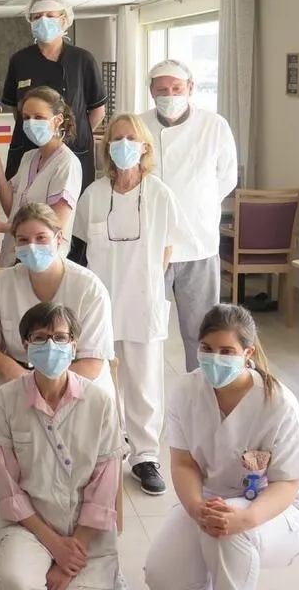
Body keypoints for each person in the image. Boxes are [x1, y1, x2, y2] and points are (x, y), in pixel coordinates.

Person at [144, 305, 299, 590]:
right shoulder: (186, 391)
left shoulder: (278, 403)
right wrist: (196, 508)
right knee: (163, 575)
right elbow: (184, 463)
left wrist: (246, 518)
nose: (215, 358)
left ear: (248, 353)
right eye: (207, 348)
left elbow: (287, 483)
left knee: (227, 534)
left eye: (226, 351)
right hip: (210, 499)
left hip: (276, 509)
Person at [0, 203, 114, 507]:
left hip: (77, 383)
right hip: (16, 378)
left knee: (81, 449)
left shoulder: (89, 287)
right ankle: (14, 514)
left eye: (41, 238)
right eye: (23, 240)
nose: (32, 247)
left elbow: (92, 361)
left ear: (59, 239)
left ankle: (76, 514)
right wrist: (12, 371)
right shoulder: (5, 282)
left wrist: (52, 390)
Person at [72, 113, 189, 497]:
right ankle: (107, 449)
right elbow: (79, 248)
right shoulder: (93, 195)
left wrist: (146, 282)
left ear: (144, 147)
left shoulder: (159, 194)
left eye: (130, 139)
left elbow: (168, 248)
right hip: (101, 303)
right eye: (116, 139)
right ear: (107, 148)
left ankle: (145, 456)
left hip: (142, 301)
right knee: (100, 381)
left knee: (143, 382)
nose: (122, 145)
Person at [0, 302, 125, 590]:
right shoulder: (5, 401)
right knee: (15, 582)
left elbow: (105, 485)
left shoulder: (100, 402)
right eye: (40, 338)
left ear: (73, 346)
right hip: (28, 526)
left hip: (88, 531)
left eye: (60, 338)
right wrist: (55, 546)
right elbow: (6, 486)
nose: (50, 345)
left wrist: (69, 557)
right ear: (26, 346)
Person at [141, 59, 237, 371]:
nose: (169, 95)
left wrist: (199, 204)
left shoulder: (214, 125)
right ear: (151, 92)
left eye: (176, 88)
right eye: (162, 90)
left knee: (201, 328)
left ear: (190, 88)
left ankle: (203, 386)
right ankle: (146, 384)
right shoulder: (139, 125)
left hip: (198, 242)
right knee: (145, 326)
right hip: (151, 242)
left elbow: (227, 177)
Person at [1, 0, 107, 190]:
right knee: (24, 201)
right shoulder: (20, 61)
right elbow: (17, 110)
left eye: (50, 15)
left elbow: (97, 111)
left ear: (64, 20)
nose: (43, 20)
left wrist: (71, 134)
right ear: (30, 21)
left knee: (71, 204)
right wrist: (37, 131)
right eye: (37, 16)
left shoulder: (82, 60)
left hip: (74, 149)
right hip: (28, 147)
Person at [0, 87, 82, 267]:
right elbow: (12, 209)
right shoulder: (29, 157)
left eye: (38, 117)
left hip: (43, 259)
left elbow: (55, 223)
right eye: (26, 118)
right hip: (15, 256)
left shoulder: (67, 164)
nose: (31, 123)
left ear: (58, 120)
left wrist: (2, 227)